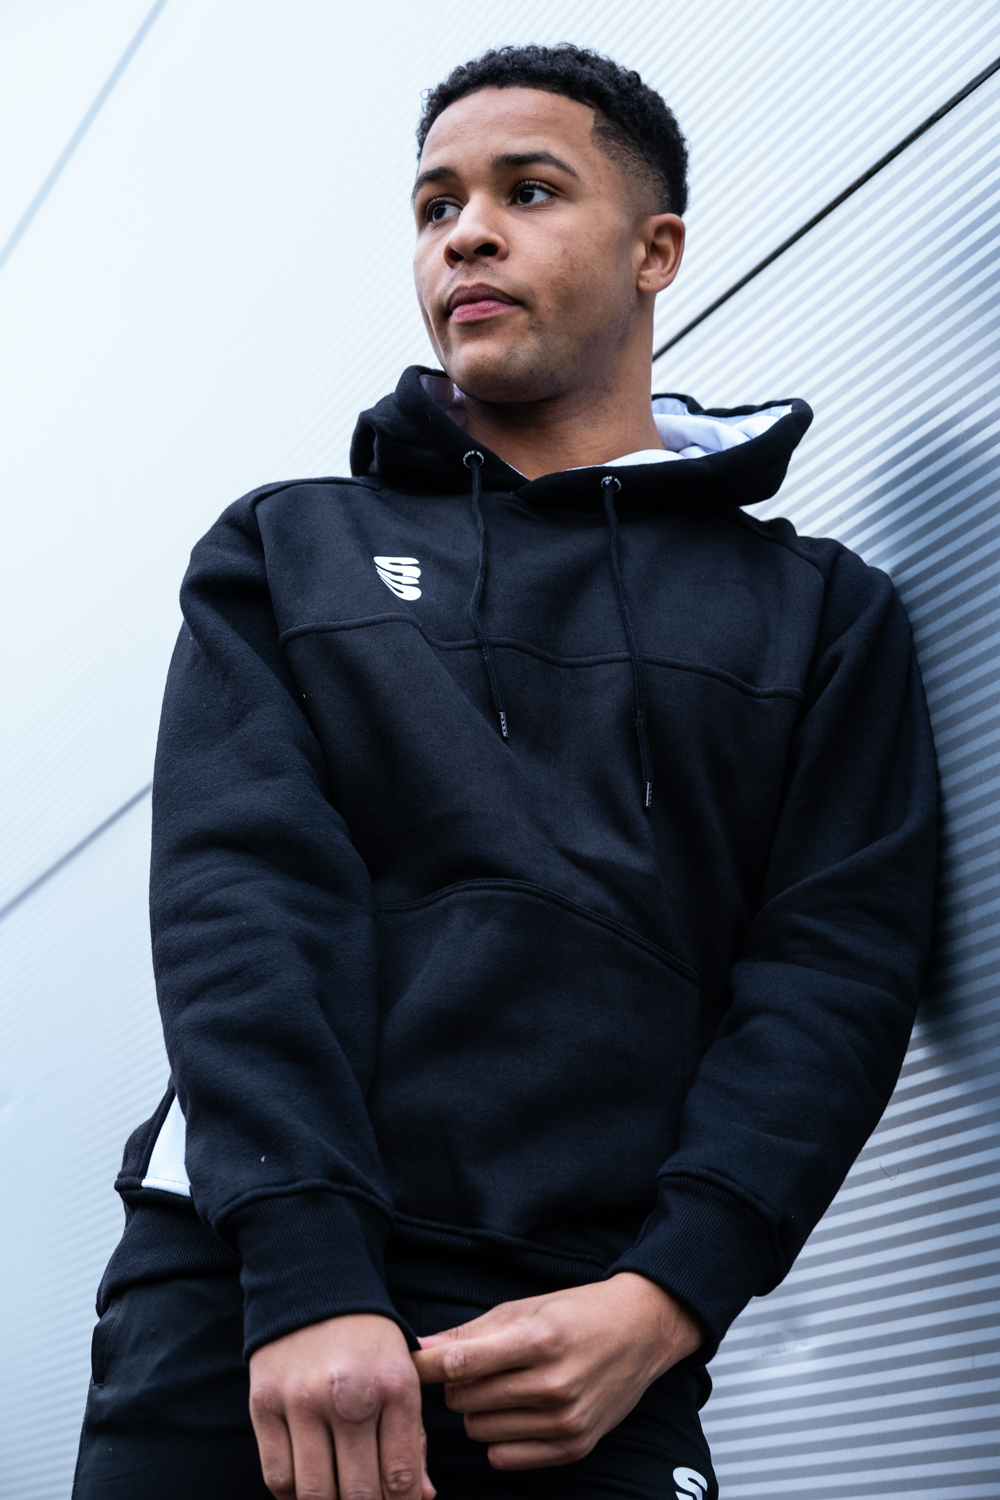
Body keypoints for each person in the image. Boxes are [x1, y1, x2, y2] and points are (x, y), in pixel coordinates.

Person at [72, 43, 937, 1500]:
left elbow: (836, 966)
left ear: (656, 249)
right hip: (251, 1292)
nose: (465, 233)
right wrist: (302, 1265)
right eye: (436, 206)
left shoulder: (819, 615)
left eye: (528, 190)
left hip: (582, 1337)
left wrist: (671, 1297)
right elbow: (241, 898)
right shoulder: (290, 548)